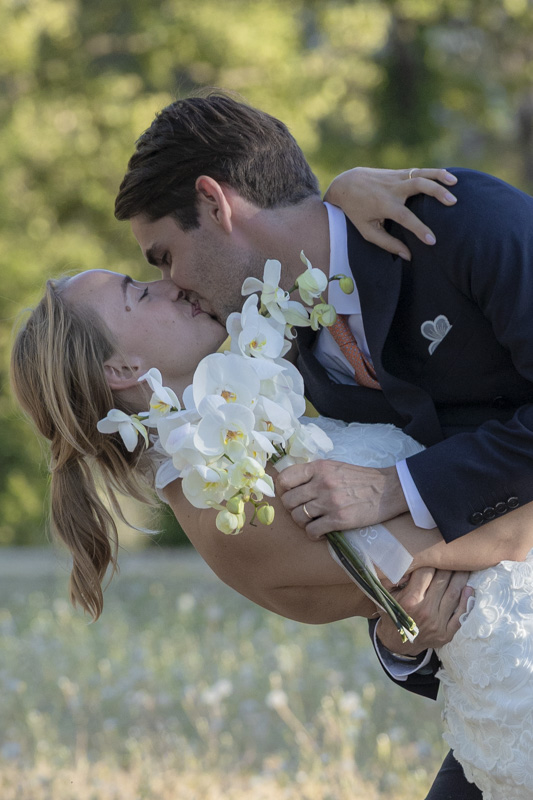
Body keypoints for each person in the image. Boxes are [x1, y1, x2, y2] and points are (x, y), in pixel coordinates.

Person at [112, 92, 533, 798]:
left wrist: (398, 489)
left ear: (214, 204)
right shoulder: (294, 362)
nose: (172, 287)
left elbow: (401, 487)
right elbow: (356, 575)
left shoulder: (460, 226)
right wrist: (402, 638)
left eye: (164, 257)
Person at [11, 267, 533, 798]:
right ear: (123, 369)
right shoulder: (228, 509)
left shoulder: (252, 418)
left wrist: (350, 187)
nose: (170, 284)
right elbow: (499, 538)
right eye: (139, 294)